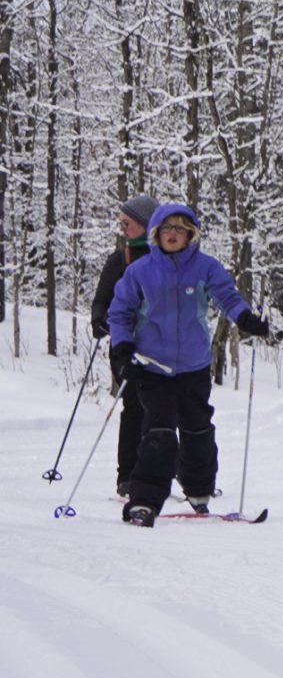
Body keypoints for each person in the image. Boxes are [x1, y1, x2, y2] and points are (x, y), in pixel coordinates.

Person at [105, 203, 275, 526]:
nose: (173, 234)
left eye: (180, 229)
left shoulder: (204, 267)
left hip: (194, 366)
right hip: (153, 366)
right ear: (156, 234)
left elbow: (227, 296)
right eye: (167, 229)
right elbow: (120, 312)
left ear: (190, 234)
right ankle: (144, 501)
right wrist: (122, 351)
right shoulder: (140, 272)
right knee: (159, 432)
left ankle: (199, 492)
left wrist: (246, 319)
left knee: (198, 430)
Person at [89, 193, 160, 500]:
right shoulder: (119, 260)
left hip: (161, 346)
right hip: (126, 346)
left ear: (146, 226)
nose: (122, 229)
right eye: (121, 223)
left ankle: (163, 472)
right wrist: (99, 320)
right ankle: (128, 477)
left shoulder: (166, 260)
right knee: (134, 406)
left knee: (164, 408)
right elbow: (102, 299)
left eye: (127, 223)